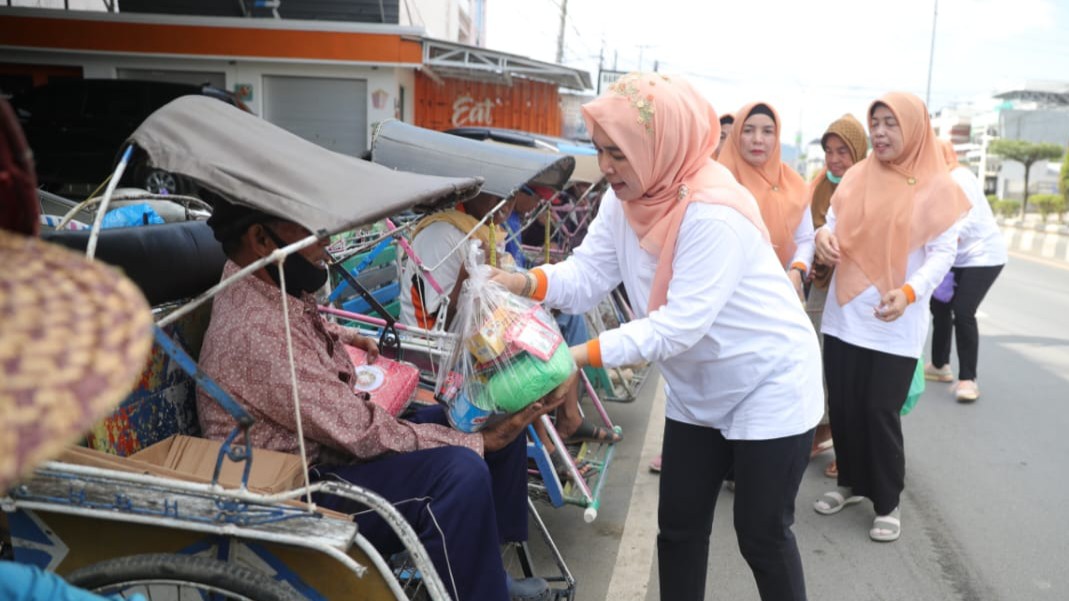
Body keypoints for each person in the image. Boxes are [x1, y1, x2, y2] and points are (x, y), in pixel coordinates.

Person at [494, 72, 822, 601]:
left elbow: (679, 325)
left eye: (618, 153)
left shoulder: (713, 212)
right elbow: (587, 275)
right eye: (600, 150)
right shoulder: (624, 199)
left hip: (770, 382)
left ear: (658, 147)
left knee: (761, 535)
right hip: (698, 389)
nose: (605, 166)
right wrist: (522, 283)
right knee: (679, 531)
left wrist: (572, 355)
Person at [197, 201, 568, 601]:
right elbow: (359, 432)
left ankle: (487, 570)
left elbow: (304, 322)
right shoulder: (258, 335)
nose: (326, 242)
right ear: (260, 238)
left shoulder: (264, 284)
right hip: (299, 487)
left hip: (333, 444)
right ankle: (481, 588)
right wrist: (477, 443)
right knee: (461, 470)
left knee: (478, 417)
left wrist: (345, 335)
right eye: (312, 230)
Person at [812, 92, 970, 543]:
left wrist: (909, 292)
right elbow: (831, 222)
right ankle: (849, 484)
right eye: (875, 122)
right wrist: (823, 237)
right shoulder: (857, 175)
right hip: (845, 314)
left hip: (895, 319)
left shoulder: (938, 187)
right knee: (844, 405)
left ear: (914, 128)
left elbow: (942, 253)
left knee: (879, 410)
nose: (879, 132)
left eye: (890, 123)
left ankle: (887, 501)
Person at [400, 191, 621, 447]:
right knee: (524, 355)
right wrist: (466, 277)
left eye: (512, 196)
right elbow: (445, 323)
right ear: (475, 192)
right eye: (497, 195)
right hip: (434, 348)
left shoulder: (481, 228)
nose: (506, 204)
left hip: (471, 335)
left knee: (544, 333)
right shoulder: (441, 234)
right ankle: (547, 444)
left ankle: (566, 421)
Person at [806, 114, 868, 479]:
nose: (834, 159)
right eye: (829, 151)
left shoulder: (872, 187)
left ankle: (851, 448)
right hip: (822, 283)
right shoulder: (821, 186)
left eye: (843, 151)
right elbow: (810, 229)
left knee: (850, 372)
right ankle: (825, 428)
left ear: (858, 151)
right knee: (819, 359)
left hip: (857, 290)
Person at [926, 139, 1007, 402]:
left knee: (963, 311)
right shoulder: (936, 182)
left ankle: (968, 380)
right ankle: (939, 365)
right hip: (956, 258)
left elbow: (971, 219)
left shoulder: (960, 177)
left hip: (983, 256)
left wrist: (945, 240)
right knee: (939, 305)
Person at [718, 102, 814, 302]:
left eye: (767, 131)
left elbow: (805, 238)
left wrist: (797, 270)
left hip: (776, 293)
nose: (758, 139)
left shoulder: (793, 184)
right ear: (736, 135)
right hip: (725, 294)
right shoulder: (718, 182)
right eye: (748, 131)